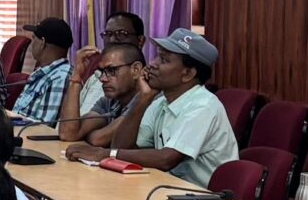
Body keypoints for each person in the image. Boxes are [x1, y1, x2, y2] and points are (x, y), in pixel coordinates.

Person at [66, 28, 237, 187]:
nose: (152, 64)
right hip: (169, 190)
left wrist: (103, 154)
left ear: (188, 74)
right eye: (157, 57)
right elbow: (121, 146)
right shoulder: (161, 102)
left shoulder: (203, 106)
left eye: (163, 60)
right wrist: (143, 98)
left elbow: (166, 159)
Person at [57, 42, 144, 146]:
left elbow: (98, 139)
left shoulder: (146, 100)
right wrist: (76, 77)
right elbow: (68, 133)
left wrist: (88, 135)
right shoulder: (109, 102)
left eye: (111, 70)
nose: (103, 79)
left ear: (136, 70)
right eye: (102, 71)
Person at [12, 18, 74, 124]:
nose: (32, 44)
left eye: (34, 38)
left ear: (42, 43)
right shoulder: (42, 73)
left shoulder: (60, 78)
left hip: (26, 133)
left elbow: (44, 126)